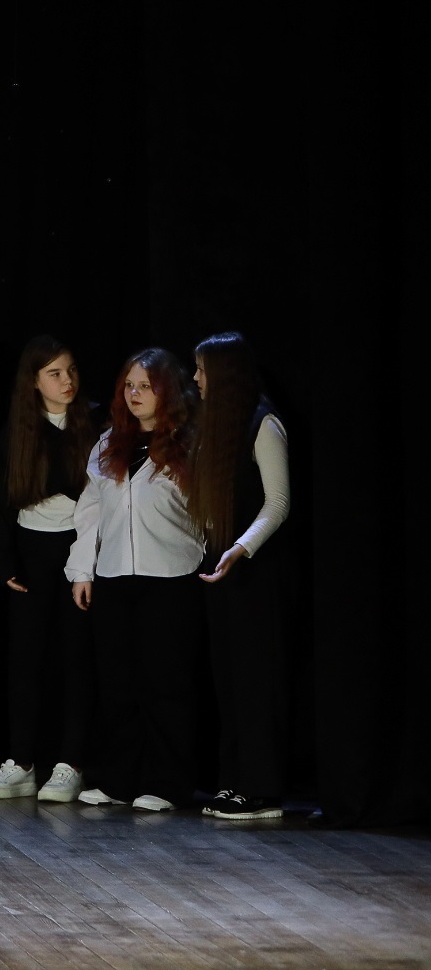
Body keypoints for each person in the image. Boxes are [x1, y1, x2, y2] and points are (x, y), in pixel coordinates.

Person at [65, 349, 203, 813]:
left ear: (168, 391)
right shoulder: (108, 444)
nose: (135, 393)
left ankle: (167, 783)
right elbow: (89, 513)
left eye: (146, 385)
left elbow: (207, 512)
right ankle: (117, 779)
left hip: (170, 575)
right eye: (129, 385)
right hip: (114, 574)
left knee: (165, 683)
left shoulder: (189, 443)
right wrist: (81, 571)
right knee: (117, 684)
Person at [0, 337, 104, 803]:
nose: (66, 381)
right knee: (26, 659)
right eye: (54, 373)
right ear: (33, 381)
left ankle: (70, 763)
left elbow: (86, 486)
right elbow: (1, 497)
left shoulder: (95, 421)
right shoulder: (19, 427)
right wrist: (4, 560)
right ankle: (22, 762)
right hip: (32, 548)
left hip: (80, 547)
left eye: (71, 370)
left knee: (76, 656)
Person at [188, 331, 294, 821]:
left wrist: (240, 548)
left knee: (254, 679)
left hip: (254, 571)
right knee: (228, 679)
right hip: (222, 570)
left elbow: (278, 502)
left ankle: (262, 790)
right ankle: (235, 783)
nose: (195, 378)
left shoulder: (263, 424)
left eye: (202, 370)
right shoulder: (216, 425)